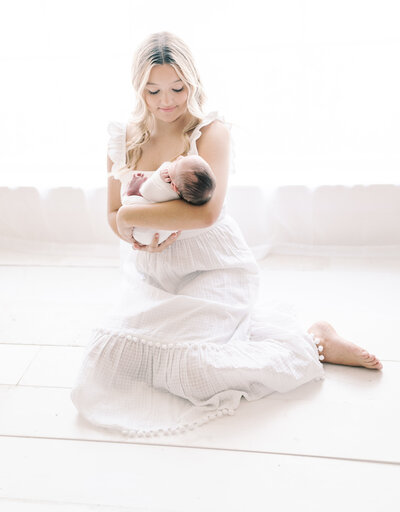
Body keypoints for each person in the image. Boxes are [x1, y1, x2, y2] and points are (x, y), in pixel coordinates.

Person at [70, 31, 382, 440]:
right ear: (138, 89)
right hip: (153, 272)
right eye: (154, 90)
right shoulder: (123, 138)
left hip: (211, 264)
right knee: (106, 360)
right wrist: (131, 231)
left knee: (196, 371)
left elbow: (206, 214)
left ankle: (313, 342)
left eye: (177, 88)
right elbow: (112, 215)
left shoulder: (209, 133)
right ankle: (244, 331)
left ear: (192, 82)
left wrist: (132, 214)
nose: (167, 101)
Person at [122, 154, 216, 245]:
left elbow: (147, 191)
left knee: (133, 201)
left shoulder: (168, 190)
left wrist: (159, 176)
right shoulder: (187, 192)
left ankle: (132, 193)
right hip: (157, 235)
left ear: (174, 187)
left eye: (176, 164)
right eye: (184, 158)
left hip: (145, 231)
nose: (180, 157)